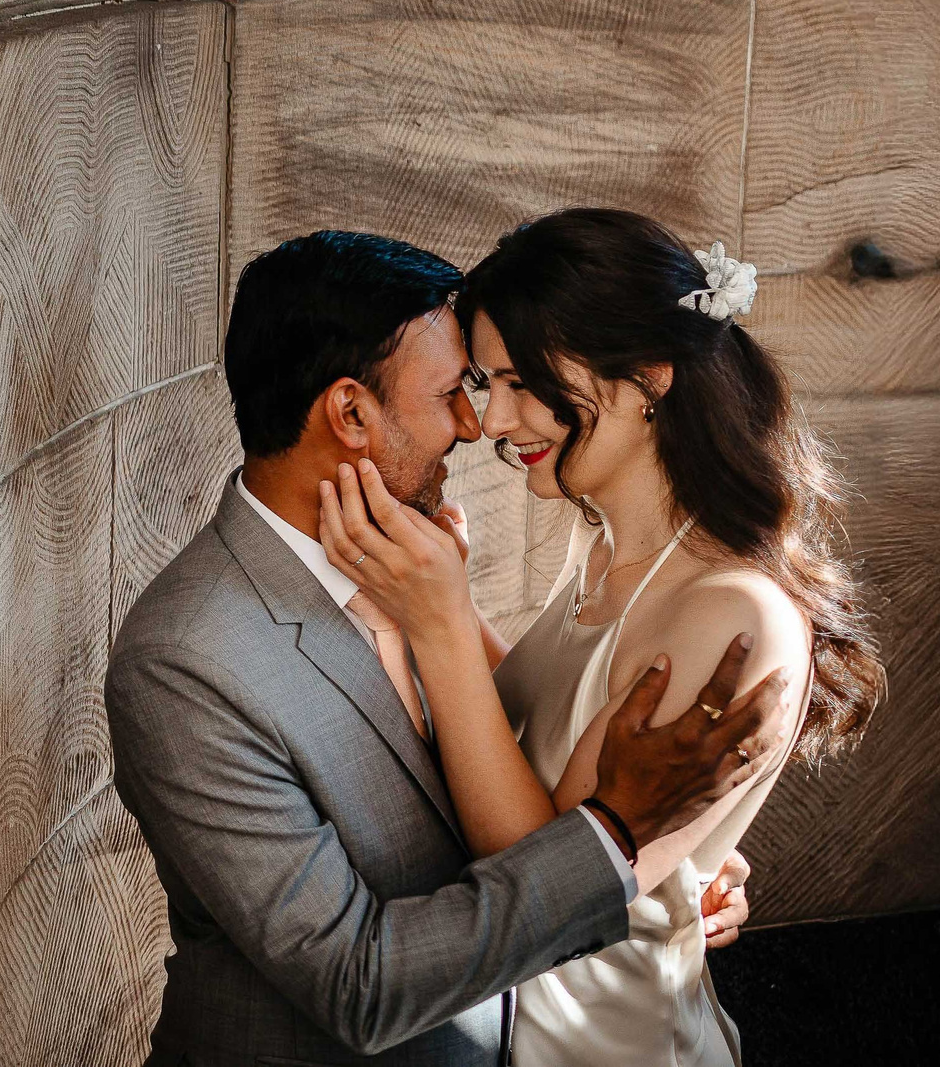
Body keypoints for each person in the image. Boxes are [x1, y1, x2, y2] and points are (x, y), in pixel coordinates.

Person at [105, 231, 789, 1067]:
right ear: (350, 412)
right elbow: (360, 984)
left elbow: (513, 742)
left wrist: (675, 859)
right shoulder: (187, 661)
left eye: (500, 384)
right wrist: (616, 843)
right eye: (455, 391)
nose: (477, 425)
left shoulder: (422, 568)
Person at [320, 210, 883, 1066]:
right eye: (482, 383)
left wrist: (435, 625)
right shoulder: (604, 544)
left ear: (648, 376)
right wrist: (452, 606)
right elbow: (549, 730)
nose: (495, 420)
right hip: (499, 1028)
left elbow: (542, 887)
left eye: (521, 382)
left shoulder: (734, 613)